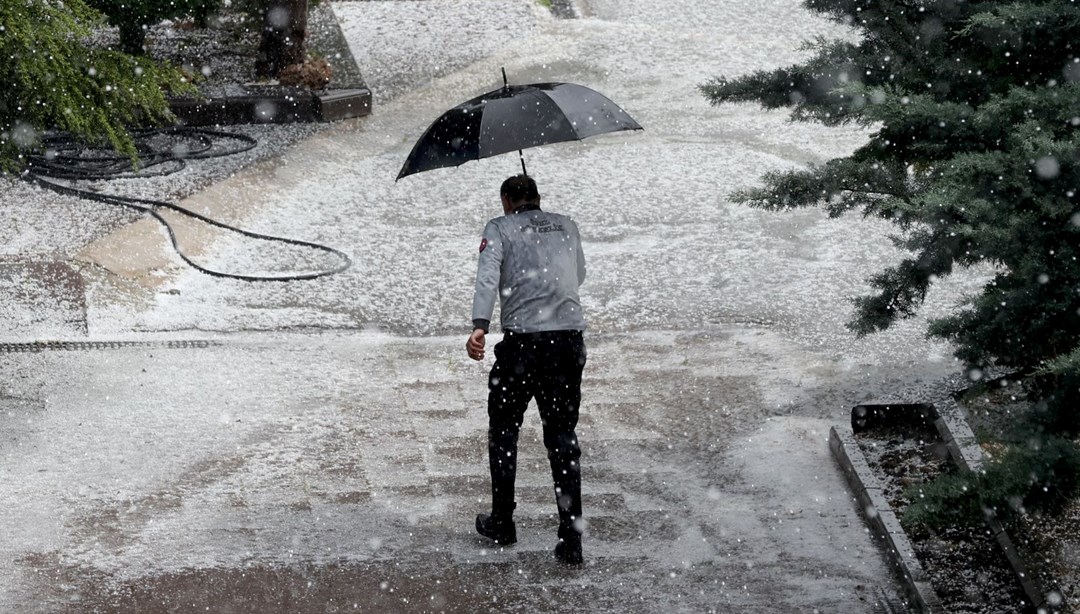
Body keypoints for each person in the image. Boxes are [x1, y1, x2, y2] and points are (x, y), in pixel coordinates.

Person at [465, 174, 588, 565]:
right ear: (537, 197)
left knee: (503, 430)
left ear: (506, 201)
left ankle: (503, 520)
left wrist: (480, 326)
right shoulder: (567, 225)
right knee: (563, 438)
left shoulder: (500, 228)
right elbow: (578, 274)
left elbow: (487, 278)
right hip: (567, 342)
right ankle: (572, 537)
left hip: (522, 346)